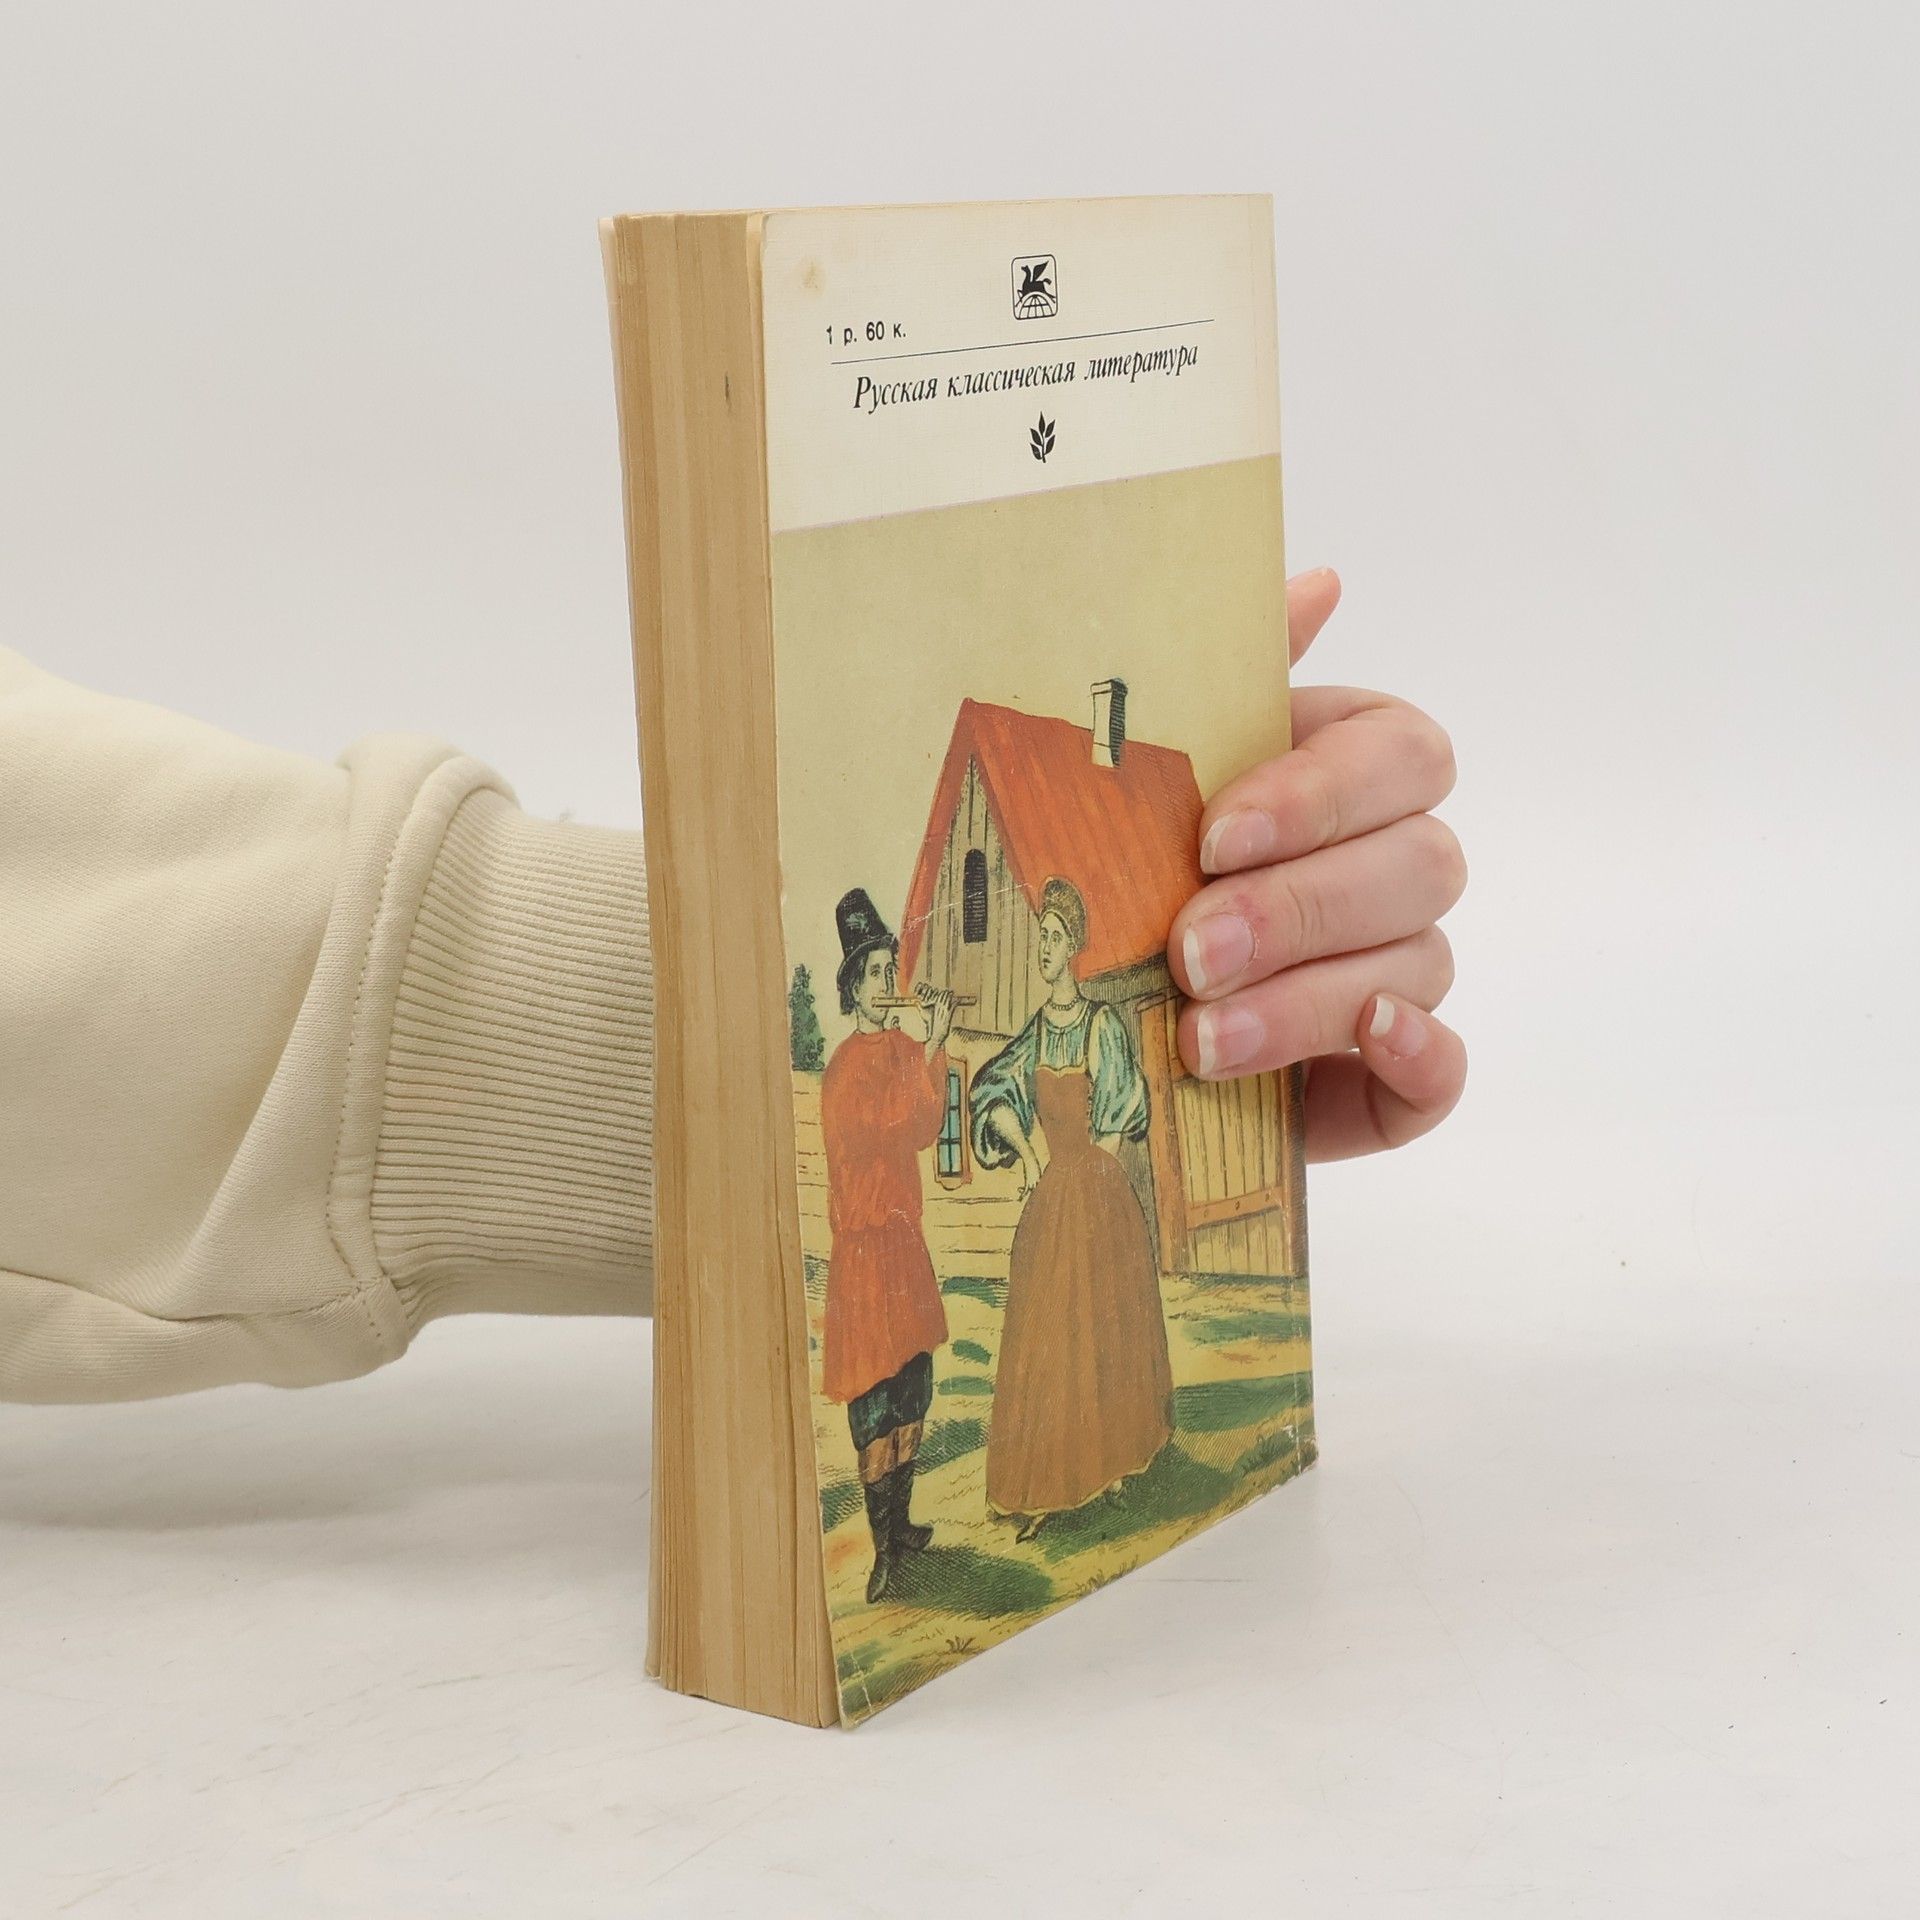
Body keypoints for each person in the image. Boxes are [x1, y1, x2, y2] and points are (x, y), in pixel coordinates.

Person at [0, 568, 1467, 1405]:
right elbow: (989, 1087)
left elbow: (1022, 1083)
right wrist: (680, 1024)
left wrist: (1197, 1082)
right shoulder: (994, 1019)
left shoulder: (1063, 1005)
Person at [970, 877, 1173, 1538]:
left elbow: (1120, 1112)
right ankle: (1042, 1484)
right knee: (1045, 1336)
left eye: (1054, 938)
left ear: (1074, 947)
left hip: (1098, 1193)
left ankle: (1109, 1466)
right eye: (1040, 938)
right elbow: (991, 1091)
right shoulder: (1035, 1034)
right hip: (1054, 1190)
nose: (1044, 949)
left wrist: (1094, 1187)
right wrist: (1031, 1161)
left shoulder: (1101, 1025)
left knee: (1102, 1327)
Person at [818, 890, 958, 1600]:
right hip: (865, 1256)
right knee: (873, 1407)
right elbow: (890, 1127)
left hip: (904, 1245)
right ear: (851, 987)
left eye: (887, 969)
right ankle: (881, 1552)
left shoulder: (905, 1049)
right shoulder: (842, 1070)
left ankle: (901, 1527)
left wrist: (932, 1045)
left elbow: (928, 1127)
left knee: (911, 1394)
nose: (884, 981)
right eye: (871, 972)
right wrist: (928, 1050)